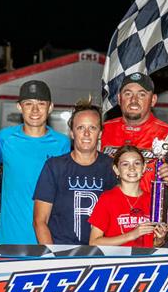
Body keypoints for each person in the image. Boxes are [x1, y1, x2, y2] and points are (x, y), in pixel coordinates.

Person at [101, 72, 168, 238]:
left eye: (142, 94)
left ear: (153, 100)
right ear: (118, 98)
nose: (134, 100)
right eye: (128, 93)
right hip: (108, 234)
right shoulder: (100, 132)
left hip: (154, 237)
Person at [0, 80, 70, 244]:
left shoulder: (62, 143)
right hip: (8, 237)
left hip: (47, 238)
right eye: (28, 104)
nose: (35, 110)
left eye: (41, 103)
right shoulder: (5, 138)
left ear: (50, 107)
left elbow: (66, 190)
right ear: (19, 107)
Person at [33, 100, 116, 245]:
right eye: (80, 128)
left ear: (100, 133)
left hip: (101, 254)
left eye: (92, 128)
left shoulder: (112, 167)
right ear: (71, 133)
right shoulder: (54, 167)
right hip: (62, 254)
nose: (86, 134)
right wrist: (51, 258)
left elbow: (119, 216)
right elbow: (40, 221)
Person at [89, 145, 168, 247]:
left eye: (137, 163)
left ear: (144, 167)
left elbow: (153, 245)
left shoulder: (153, 200)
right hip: (118, 261)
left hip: (144, 262)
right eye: (125, 164)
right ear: (116, 169)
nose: (132, 168)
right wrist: (132, 235)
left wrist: (159, 239)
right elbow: (94, 242)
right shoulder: (107, 199)